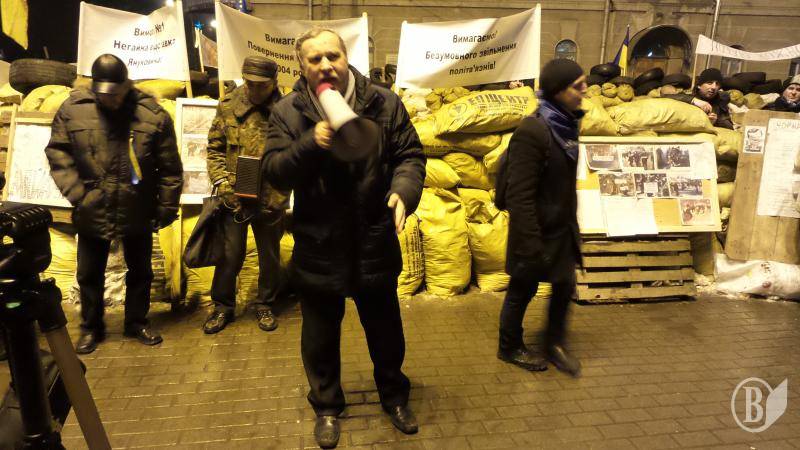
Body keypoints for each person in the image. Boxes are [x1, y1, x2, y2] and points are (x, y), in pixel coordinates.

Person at [264, 28, 425, 449]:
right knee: (319, 336)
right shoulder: (288, 111)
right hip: (319, 243)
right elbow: (275, 171)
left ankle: (394, 397)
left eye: (332, 56)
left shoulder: (384, 102)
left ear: (345, 55)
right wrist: (310, 143)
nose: (325, 65)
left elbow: (409, 155)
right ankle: (327, 406)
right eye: (314, 59)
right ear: (301, 65)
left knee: (385, 330)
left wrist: (403, 191)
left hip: (373, 239)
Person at [45, 54, 183, 354]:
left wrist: (166, 207)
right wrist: (79, 194)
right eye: (104, 94)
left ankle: (136, 322)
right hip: (93, 206)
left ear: (126, 85)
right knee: (89, 274)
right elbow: (58, 153)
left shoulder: (152, 115)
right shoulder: (73, 110)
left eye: (116, 94)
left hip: (137, 206)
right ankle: (91, 327)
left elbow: (170, 168)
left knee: (141, 271)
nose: (111, 100)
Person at [497, 58, 586, 377]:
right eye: (578, 86)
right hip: (535, 229)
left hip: (561, 227)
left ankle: (554, 343)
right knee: (522, 288)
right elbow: (519, 194)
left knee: (564, 285)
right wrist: (530, 241)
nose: (584, 91)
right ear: (558, 90)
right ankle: (509, 346)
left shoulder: (567, 126)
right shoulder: (533, 130)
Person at [202, 56, 289, 334]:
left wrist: (284, 187)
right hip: (234, 196)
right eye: (249, 83)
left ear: (274, 82)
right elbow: (215, 148)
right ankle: (222, 306)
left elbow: (296, 154)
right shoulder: (228, 105)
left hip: (271, 196)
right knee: (230, 255)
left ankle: (265, 304)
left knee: (269, 257)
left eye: (261, 85)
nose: (254, 90)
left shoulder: (288, 109)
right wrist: (222, 184)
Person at [665, 68, 733, 129]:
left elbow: (730, 127)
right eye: (709, 83)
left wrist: (716, 122)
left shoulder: (720, 102)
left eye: (717, 84)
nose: (714, 87)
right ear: (699, 85)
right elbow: (665, 97)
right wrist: (693, 100)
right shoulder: (688, 96)